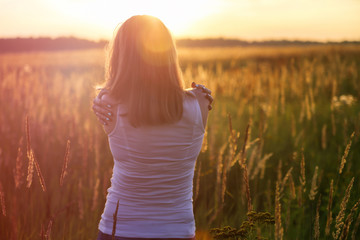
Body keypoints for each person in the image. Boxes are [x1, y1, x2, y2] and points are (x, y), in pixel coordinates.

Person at [92, 15, 213, 240]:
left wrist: (101, 96)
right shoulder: (202, 102)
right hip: (178, 231)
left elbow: (110, 93)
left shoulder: (108, 103)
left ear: (121, 57)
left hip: (118, 230)